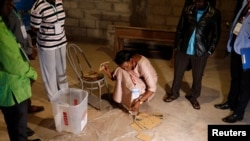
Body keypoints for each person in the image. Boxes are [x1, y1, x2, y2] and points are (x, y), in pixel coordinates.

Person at [163, 0, 221, 110]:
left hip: (200, 50)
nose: (196, 4)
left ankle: (194, 97)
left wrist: (209, 50)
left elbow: (216, 34)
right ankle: (174, 93)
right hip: (183, 48)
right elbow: (180, 28)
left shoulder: (213, 13)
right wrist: (177, 46)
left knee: (197, 76)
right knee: (178, 73)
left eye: (199, 1)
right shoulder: (187, 10)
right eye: (195, 1)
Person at [0, 0, 37, 140]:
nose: (11, 7)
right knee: (17, 130)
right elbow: (13, 63)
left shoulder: (2, 24)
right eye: (7, 4)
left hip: (13, 86)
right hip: (11, 90)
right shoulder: (1, 31)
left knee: (17, 127)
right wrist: (32, 73)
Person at [7, 6, 44, 137]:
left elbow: (22, 32)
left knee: (24, 88)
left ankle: (27, 107)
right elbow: (11, 50)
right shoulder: (5, 17)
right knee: (17, 102)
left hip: (23, 52)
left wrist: (30, 47)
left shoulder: (13, 10)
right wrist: (28, 53)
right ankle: (21, 129)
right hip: (17, 58)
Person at [214, 0, 250, 123]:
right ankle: (231, 102)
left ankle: (239, 113)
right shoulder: (245, 4)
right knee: (235, 78)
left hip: (247, 52)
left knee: (246, 85)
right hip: (236, 47)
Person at [30, 0, 68, 100]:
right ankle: (53, 97)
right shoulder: (38, 6)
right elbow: (34, 27)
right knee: (49, 72)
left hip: (61, 41)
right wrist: (46, 31)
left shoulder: (59, 1)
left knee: (62, 69)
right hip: (47, 44)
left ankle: (64, 91)